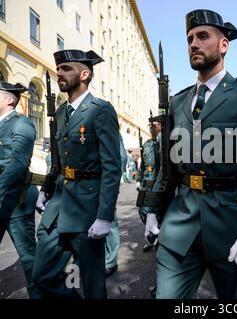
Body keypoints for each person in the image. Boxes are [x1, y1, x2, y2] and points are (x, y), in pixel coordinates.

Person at [145, 9, 237, 299]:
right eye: (190, 38)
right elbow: (167, 165)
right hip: (180, 224)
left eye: (203, 36)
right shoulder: (178, 101)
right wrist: (153, 208)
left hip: (232, 224)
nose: (194, 43)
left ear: (224, 45)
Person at [32, 49, 122, 299]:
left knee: (93, 286)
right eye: (58, 69)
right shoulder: (61, 113)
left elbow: (112, 167)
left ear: (84, 74)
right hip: (58, 206)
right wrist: (45, 190)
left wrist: (105, 216)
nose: (59, 73)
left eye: (66, 69)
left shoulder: (100, 109)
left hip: (87, 209)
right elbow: (57, 164)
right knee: (42, 276)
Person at [0, 81, 39, 297]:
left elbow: (17, 163)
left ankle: (39, 293)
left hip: (17, 200)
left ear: (9, 100)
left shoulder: (21, 124)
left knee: (28, 257)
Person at [104, 134, 127, 277]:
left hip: (105, 185)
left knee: (109, 222)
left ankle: (110, 262)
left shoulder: (109, 126)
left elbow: (122, 158)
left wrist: (112, 183)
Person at [137, 120, 161, 251]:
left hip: (157, 184)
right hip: (146, 184)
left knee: (156, 212)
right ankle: (149, 235)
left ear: (160, 126)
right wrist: (138, 179)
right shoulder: (146, 145)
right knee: (142, 210)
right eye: (150, 125)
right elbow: (143, 166)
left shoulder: (163, 143)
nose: (151, 127)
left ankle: (154, 237)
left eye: (154, 125)